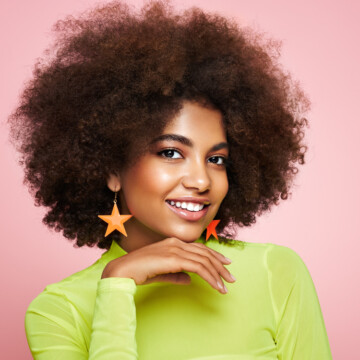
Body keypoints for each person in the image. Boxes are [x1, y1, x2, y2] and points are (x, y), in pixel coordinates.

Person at [8, 0, 332, 358]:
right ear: (112, 169)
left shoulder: (275, 272)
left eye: (216, 159)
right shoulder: (59, 310)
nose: (200, 180)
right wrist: (116, 288)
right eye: (171, 153)